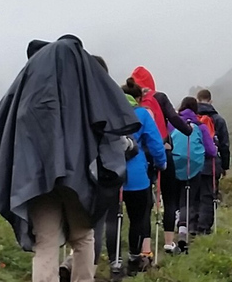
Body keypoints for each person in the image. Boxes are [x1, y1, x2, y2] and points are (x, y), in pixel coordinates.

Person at [0, 35, 140, 282]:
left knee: (46, 243)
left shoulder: (28, 95)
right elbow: (109, 134)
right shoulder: (84, 97)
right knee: (83, 238)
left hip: (37, 182)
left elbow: (6, 138)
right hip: (80, 181)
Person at [59, 56, 138, 282]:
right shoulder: (108, 100)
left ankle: (69, 263)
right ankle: (84, 273)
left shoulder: (68, 96)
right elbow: (122, 142)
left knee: (70, 226)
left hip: (68, 174)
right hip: (99, 176)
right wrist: (131, 146)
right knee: (93, 230)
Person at [105, 78, 167, 277]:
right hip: (137, 176)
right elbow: (156, 143)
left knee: (113, 219)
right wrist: (161, 163)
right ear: (138, 98)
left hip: (111, 173)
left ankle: (115, 261)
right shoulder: (142, 114)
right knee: (138, 218)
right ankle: (133, 256)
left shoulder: (109, 113)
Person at [130, 66, 192, 252]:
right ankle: (168, 242)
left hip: (141, 155)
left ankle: (146, 248)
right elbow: (173, 118)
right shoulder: (160, 97)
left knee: (145, 203)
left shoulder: (134, 102)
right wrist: (188, 130)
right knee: (170, 197)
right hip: (163, 151)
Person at [173, 97, 217, 250]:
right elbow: (211, 151)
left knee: (173, 199)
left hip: (173, 166)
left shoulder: (172, 123)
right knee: (187, 200)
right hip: (193, 168)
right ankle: (183, 230)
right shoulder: (201, 126)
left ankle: (170, 229)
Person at [194, 89, 230, 236]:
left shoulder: (192, 118)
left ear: (197, 99)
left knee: (194, 194)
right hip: (211, 164)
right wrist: (225, 165)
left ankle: (191, 225)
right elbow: (224, 145)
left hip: (192, 163)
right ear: (210, 100)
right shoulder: (219, 120)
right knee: (208, 195)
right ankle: (204, 227)